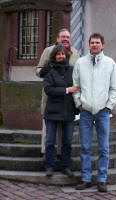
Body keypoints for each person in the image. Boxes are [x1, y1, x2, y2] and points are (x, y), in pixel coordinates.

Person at [73, 33, 116, 192]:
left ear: (103, 45)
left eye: (97, 42)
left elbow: (114, 88)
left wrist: (109, 106)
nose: (94, 45)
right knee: (85, 147)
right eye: (92, 42)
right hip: (85, 111)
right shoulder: (80, 63)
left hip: (103, 112)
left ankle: (102, 179)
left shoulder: (110, 63)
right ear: (89, 45)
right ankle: (86, 179)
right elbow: (75, 86)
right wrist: (78, 103)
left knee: (103, 148)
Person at [36, 28, 80, 156]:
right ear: (57, 39)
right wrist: (43, 72)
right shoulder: (48, 51)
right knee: (48, 128)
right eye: (63, 37)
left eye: (67, 37)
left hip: (68, 99)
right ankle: (46, 152)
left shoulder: (75, 53)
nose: (65, 39)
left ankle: (61, 153)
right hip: (52, 96)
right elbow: (38, 69)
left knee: (64, 129)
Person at [43, 45, 78, 177]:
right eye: (58, 54)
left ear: (66, 56)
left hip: (68, 111)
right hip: (52, 112)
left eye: (63, 54)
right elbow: (49, 90)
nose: (61, 56)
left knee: (67, 141)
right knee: (50, 141)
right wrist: (67, 90)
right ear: (54, 56)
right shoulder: (49, 71)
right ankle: (49, 167)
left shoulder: (72, 70)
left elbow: (78, 86)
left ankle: (66, 167)